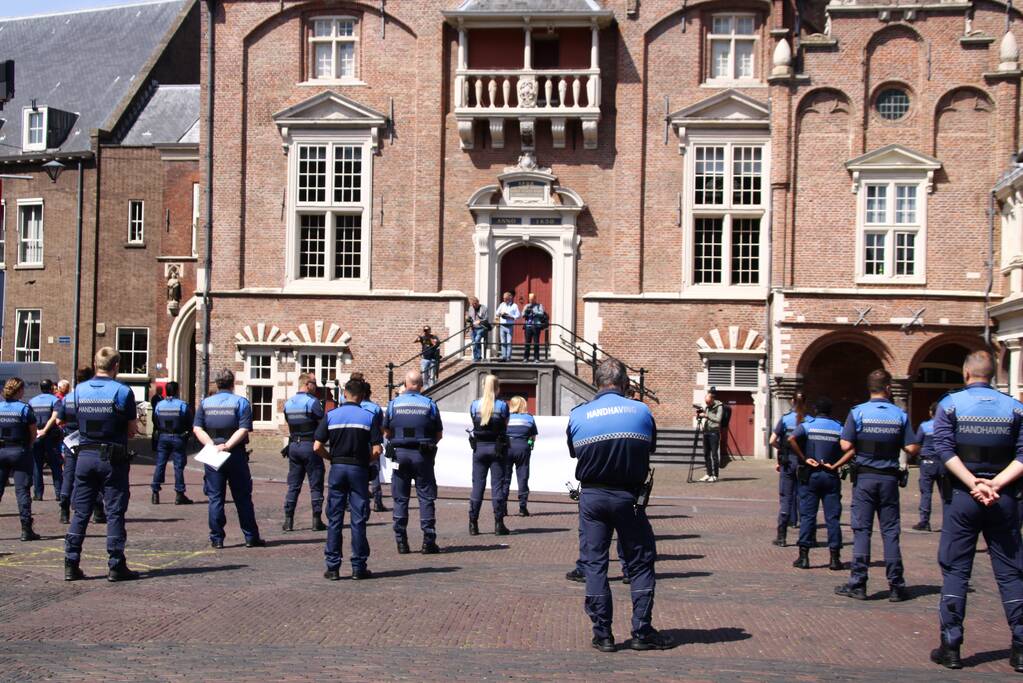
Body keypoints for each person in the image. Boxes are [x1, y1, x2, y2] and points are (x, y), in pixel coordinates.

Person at [928, 350, 1023, 672]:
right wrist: (995, 484)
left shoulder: (950, 405)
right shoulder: (1015, 408)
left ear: (966, 374)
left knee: (956, 569)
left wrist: (974, 483)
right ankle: (1021, 647)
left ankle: (951, 646)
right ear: (993, 374)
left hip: (963, 498)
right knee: (1011, 571)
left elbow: (943, 449)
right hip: (1004, 498)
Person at [568, 358, 671, 652]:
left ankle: (603, 634)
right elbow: (650, 446)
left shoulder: (578, 415)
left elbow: (574, 452)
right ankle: (642, 630)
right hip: (630, 498)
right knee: (639, 563)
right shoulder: (642, 410)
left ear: (596, 383)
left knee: (595, 563)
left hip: (593, 497)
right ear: (625, 383)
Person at [834, 369, 919, 602]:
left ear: (869, 388)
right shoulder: (899, 415)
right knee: (890, 532)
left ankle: (859, 584)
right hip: (889, 479)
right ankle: (896, 585)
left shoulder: (858, 412)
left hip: (865, 478)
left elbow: (844, 445)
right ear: (888, 388)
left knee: (862, 530)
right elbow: (912, 448)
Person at [63, 348, 140, 582]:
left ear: (96, 364)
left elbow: (73, 419)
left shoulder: (78, 392)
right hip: (111, 458)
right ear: (115, 366)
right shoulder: (123, 392)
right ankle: (116, 564)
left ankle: (71, 562)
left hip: (84, 457)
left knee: (82, 511)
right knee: (115, 511)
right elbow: (132, 430)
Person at [315, 378, 380, 580]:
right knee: (358, 518)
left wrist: (331, 458)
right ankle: (358, 567)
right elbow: (377, 450)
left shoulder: (332, 415)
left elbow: (317, 446)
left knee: (335, 518)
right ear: (362, 396)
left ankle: (333, 567)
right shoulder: (369, 416)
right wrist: (365, 461)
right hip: (358, 469)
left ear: (344, 394)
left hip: (337, 468)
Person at [193, 368, 266, 549]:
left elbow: (197, 428)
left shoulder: (205, 403)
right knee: (242, 497)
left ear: (216, 384)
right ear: (233, 384)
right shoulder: (241, 402)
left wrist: (211, 445)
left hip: (212, 452)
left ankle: (217, 538)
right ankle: (250, 537)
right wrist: (227, 446)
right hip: (235, 453)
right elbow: (243, 429)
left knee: (215, 497)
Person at [383, 369, 443, 554]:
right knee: (426, 497)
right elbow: (439, 434)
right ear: (421, 384)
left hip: (399, 455)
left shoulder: (394, 405)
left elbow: (386, 432)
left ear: (406, 384)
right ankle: (428, 541)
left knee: (400, 497)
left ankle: (401, 542)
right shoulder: (429, 405)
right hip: (422, 456)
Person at [787, 396, 844, 571]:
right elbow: (850, 447)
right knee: (832, 518)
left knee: (807, 517)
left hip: (811, 475)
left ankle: (804, 557)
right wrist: (837, 464)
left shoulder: (807, 425)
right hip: (830, 474)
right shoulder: (839, 427)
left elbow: (791, 439)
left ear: (816, 411)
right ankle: (835, 559)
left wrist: (804, 458)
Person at [57, 367, 106, 526]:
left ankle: (64, 510)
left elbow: (59, 421)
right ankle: (98, 511)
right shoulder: (96, 398)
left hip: (71, 440)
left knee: (69, 474)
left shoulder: (68, 398)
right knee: (93, 475)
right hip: (90, 439)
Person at [282, 373, 326, 532]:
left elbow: (289, 423)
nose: (316, 386)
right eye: (314, 383)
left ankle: (288, 520)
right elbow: (322, 425)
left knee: (293, 484)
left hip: (293, 446)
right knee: (316, 483)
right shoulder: (312, 402)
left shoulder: (288, 403)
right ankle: (316, 520)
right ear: (307, 384)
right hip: (309, 446)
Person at [469, 374, 511, 535]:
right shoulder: (502, 406)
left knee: (477, 486)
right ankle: (498, 524)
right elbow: (505, 425)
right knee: (497, 486)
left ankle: (473, 523)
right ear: (497, 388)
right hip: (497, 449)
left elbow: (474, 421)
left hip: (479, 448)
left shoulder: (474, 405)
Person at [0, 377, 41, 541]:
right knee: (22, 490)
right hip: (19, 450)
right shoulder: (24, 409)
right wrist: (28, 446)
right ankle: (26, 529)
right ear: (19, 391)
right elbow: (33, 432)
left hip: (1, 450)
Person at [769, 391, 806, 546]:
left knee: (786, 497)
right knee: (804, 498)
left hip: (787, 461)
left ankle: (782, 536)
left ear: (792, 401)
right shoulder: (808, 420)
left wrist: (782, 449)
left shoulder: (785, 419)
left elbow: (772, 441)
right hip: (803, 462)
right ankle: (806, 535)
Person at [150, 381, 194, 506]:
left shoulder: (159, 405)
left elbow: (155, 420)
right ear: (176, 391)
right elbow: (189, 421)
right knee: (178, 466)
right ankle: (179, 494)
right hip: (178, 437)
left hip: (163, 437)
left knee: (160, 464)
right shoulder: (182, 405)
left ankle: (155, 493)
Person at [351, 372, 387, 513]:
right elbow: (381, 427)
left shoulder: (354, 406)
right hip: (371, 443)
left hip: (356, 442)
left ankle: (354, 500)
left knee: (356, 470)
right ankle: (377, 502)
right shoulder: (375, 408)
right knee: (375, 472)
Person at [29, 379, 63, 502]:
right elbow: (54, 418)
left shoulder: (32, 401)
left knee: (37, 466)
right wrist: (45, 430)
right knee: (55, 465)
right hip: (50, 435)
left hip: (37, 435)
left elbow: (30, 420)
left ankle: (38, 494)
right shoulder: (55, 400)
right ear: (51, 388)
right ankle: (59, 493)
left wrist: (36, 432)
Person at [504, 395, 537, 517]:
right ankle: (522, 508)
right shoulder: (529, 418)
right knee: (523, 477)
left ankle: (503, 508)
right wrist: (530, 444)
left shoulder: (506, 418)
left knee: (505, 478)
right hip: (522, 447)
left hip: (507, 447)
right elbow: (533, 436)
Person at [912, 403, 943, 532]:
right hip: (944, 463)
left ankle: (925, 521)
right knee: (946, 494)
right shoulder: (947, 426)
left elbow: (917, 443)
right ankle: (948, 522)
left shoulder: (924, 426)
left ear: (931, 412)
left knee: (926, 493)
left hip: (927, 463)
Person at [698, 389, 724, 483]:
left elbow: (718, 419)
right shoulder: (708, 407)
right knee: (706, 454)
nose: (707, 404)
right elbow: (706, 417)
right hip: (706, 432)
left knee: (714, 455)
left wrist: (706, 416)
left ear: (712, 400)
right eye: (706, 402)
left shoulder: (719, 407)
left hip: (714, 433)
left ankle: (715, 475)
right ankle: (708, 473)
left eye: (708, 402)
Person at [494, 291, 520, 362]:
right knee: (503, 342)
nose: (504, 300)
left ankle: (508, 357)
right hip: (502, 325)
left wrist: (511, 316)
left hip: (509, 325)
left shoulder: (514, 305)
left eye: (505, 298)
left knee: (509, 341)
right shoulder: (502, 304)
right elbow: (497, 312)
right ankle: (503, 357)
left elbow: (518, 315)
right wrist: (501, 313)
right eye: (503, 298)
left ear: (510, 298)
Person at [521, 293, 546, 362]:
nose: (531, 300)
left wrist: (534, 312)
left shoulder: (539, 305)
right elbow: (522, 314)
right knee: (527, 343)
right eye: (530, 299)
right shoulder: (527, 305)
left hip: (536, 326)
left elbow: (542, 313)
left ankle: (536, 358)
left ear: (535, 299)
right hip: (528, 326)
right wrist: (526, 312)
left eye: (532, 299)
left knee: (536, 343)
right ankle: (526, 357)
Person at [466, 296, 490, 362]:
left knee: (477, 340)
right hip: (473, 328)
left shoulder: (484, 308)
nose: (474, 306)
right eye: (472, 304)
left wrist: (480, 321)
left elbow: (486, 319)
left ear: (477, 302)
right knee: (474, 343)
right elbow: (470, 317)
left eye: (475, 304)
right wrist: (468, 319)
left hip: (481, 327)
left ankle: (478, 357)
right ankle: (477, 357)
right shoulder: (471, 308)